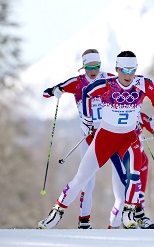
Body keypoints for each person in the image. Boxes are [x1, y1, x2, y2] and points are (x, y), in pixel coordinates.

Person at [38, 51, 154, 229]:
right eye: (124, 70)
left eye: (132, 70)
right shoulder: (105, 84)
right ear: (117, 69)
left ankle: (130, 213)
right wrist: (86, 118)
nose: (128, 75)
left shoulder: (143, 84)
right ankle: (56, 213)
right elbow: (87, 93)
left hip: (129, 139)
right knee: (81, 178)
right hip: (104, 139)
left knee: (133, 176)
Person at [42, 49, 114, 229]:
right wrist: (55, 90)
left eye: (96, 66)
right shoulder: (77, 82)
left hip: (111, 134)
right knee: (87, 181)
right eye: (89, 66)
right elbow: (46, 92)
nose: (93, 70)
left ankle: (132, 216)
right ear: (83, 67)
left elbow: (130, 88)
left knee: (125, 175)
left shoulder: (109, 78)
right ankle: (84, 222)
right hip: (89, 137)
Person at [108, 112, 154, 229]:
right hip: (123, 160)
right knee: (121, 199)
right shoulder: (117, 114)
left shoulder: (141, 116)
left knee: (139, 193)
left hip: (141, 161)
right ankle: (112, 228)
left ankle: (139, 217)